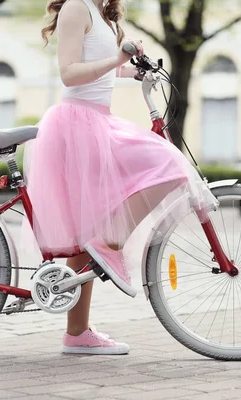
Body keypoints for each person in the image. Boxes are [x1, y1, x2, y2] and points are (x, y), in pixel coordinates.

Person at [23, 0, 218, 355]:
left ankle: (77, 333)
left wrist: (134, 71)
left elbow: (100, 73)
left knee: (87, 230)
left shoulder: (102, 15)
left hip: (95, 121)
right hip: (77, 125)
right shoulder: (76, 9)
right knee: (170, 164)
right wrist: (117, 59)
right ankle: (111, 241)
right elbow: (69, 73)